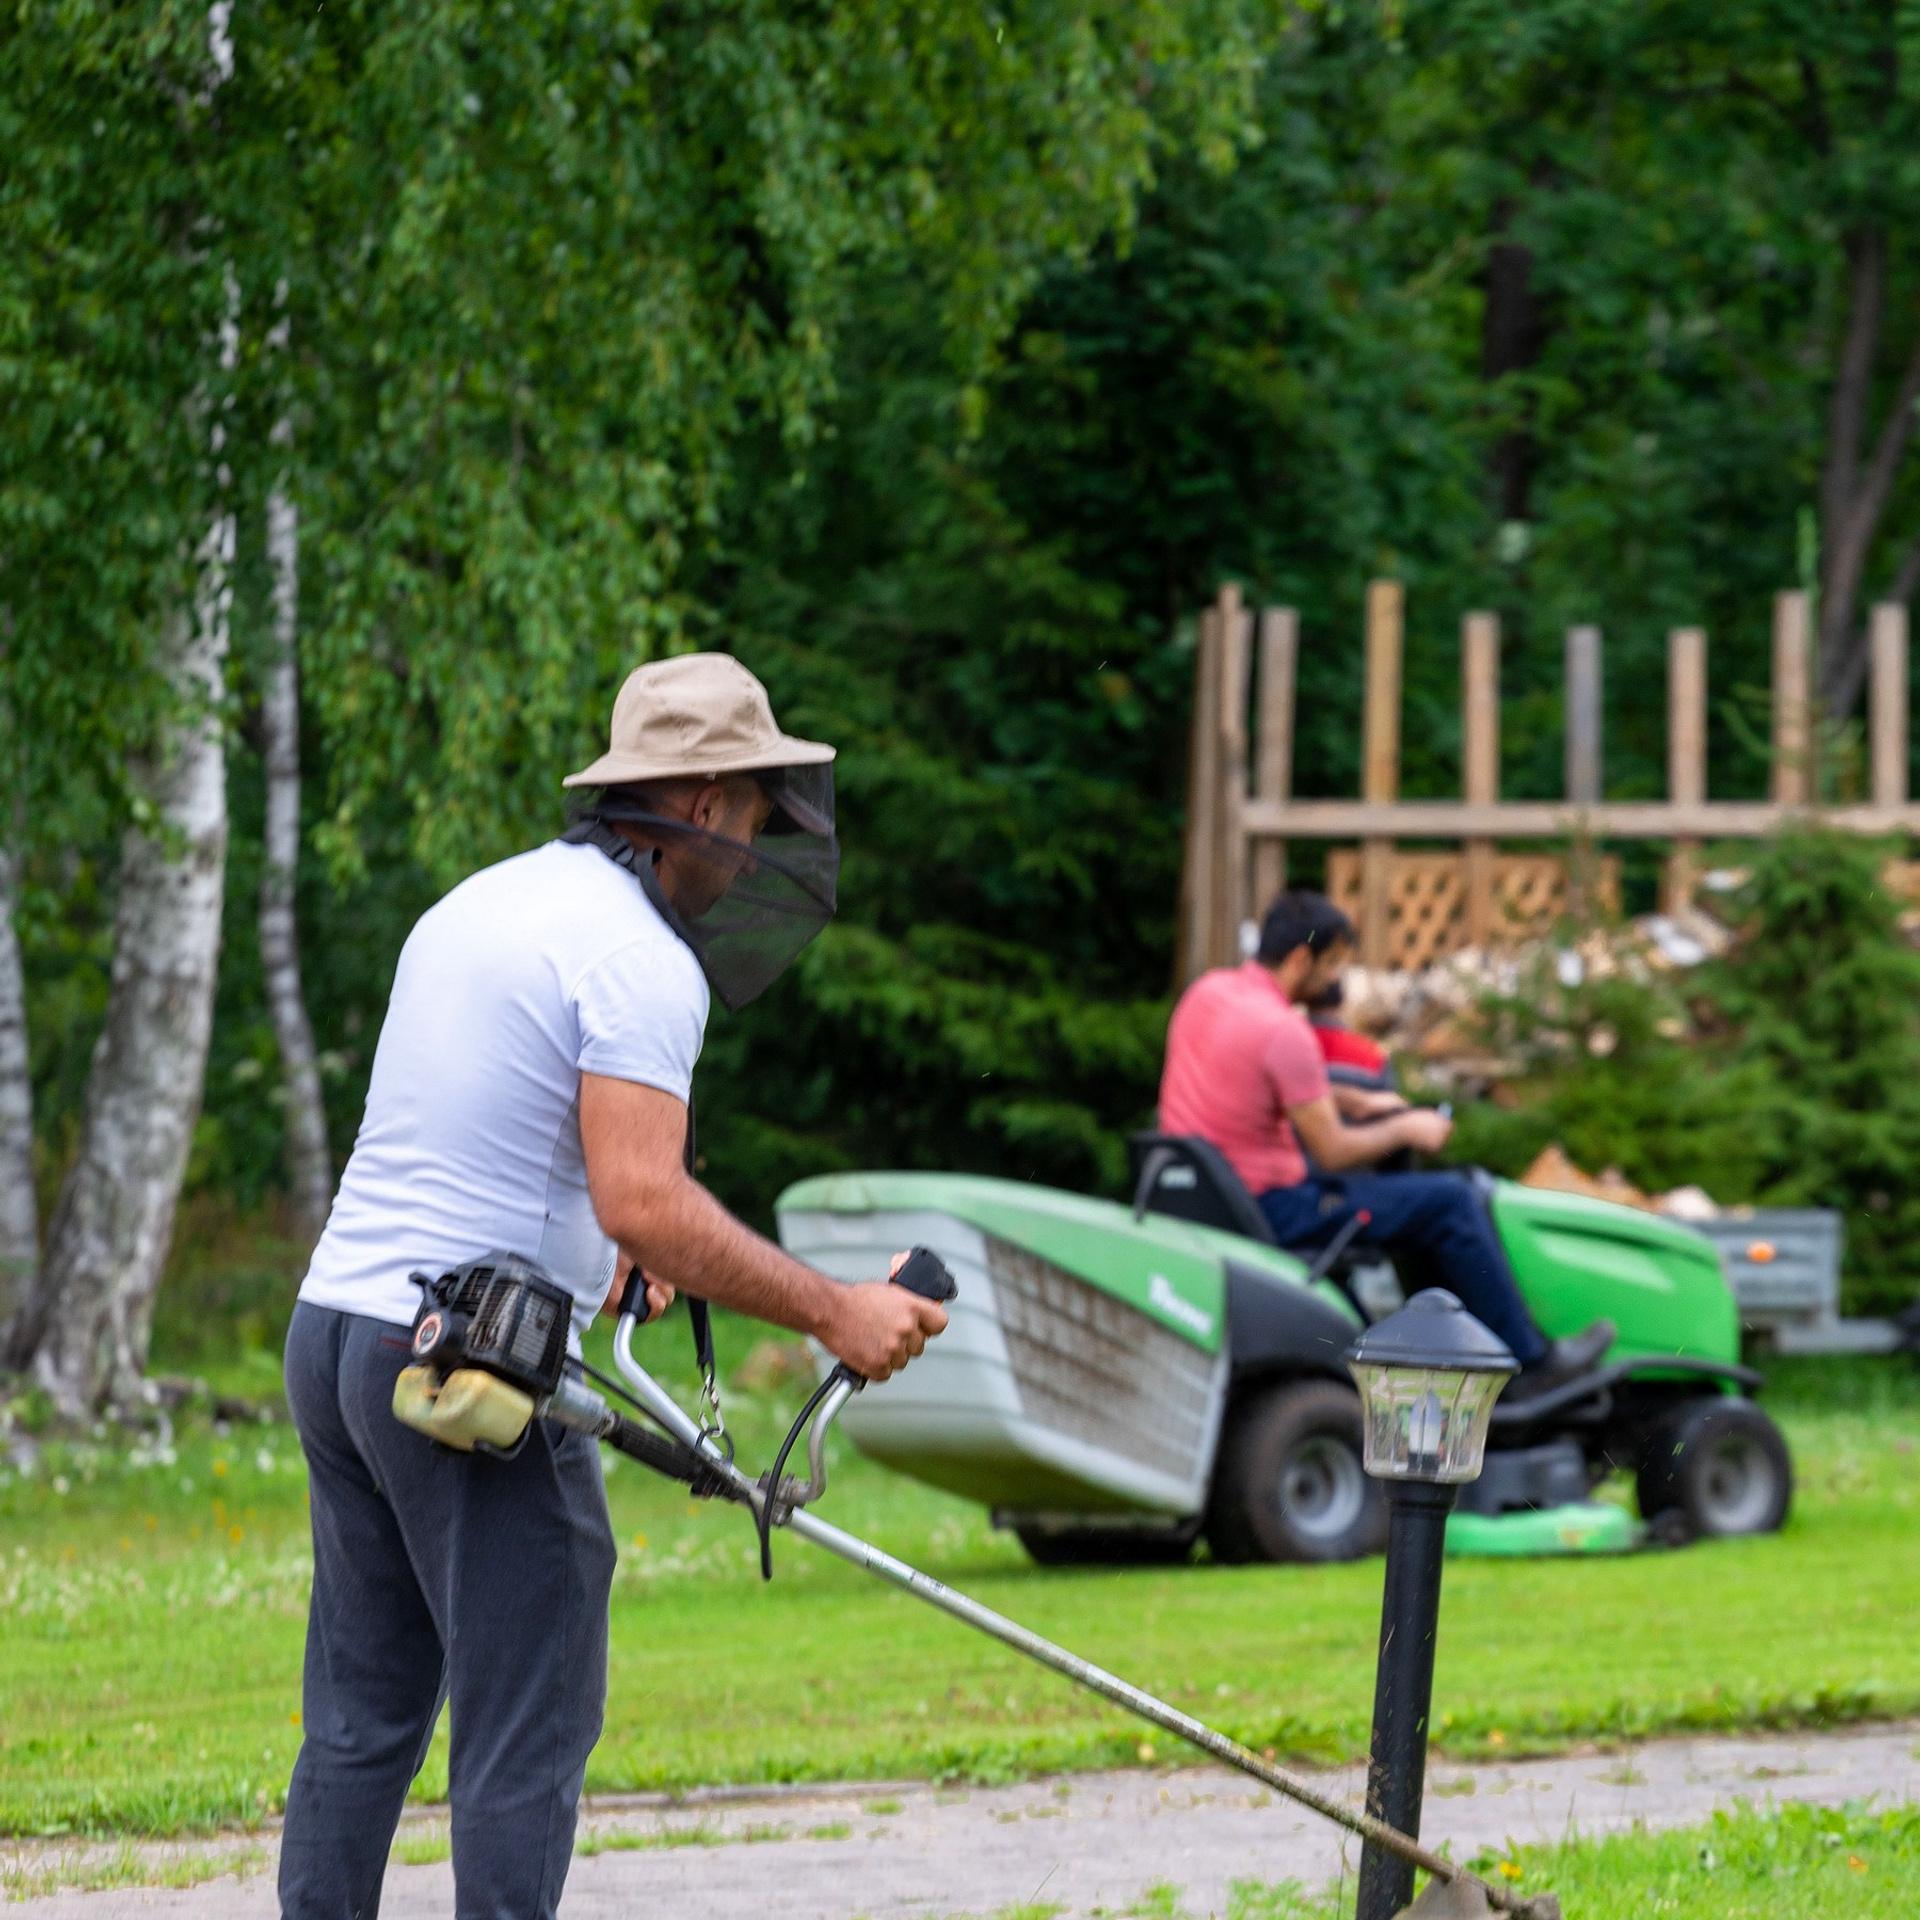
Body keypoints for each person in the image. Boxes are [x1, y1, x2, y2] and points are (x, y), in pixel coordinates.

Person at [279, 654, 949, 1920]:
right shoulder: (643, 960)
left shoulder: (481, 902)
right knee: (529, 1721)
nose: (754, 850)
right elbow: (646, 1198)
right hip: (458, 1376)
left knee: (362, 1720)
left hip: (338, 1337)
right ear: (696, 804)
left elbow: (503, 1132)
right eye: (751, 814)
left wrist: (607, 1229)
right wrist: (835, 1308)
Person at [1158, 890, 1612, 1381]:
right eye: (1332, 965)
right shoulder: (1285, 1032)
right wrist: (1405, 1126)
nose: (1337, 981)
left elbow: (1255, 1080)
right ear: (1300, 958)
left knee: (1418, 1199)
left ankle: (1457, 1356)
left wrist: (1359, 1102)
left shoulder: (1210, 994)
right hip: (1276, 1209)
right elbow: (1333, 1151)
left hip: (1211, 1194)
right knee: (1451, 1201)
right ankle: (1534, 1363)